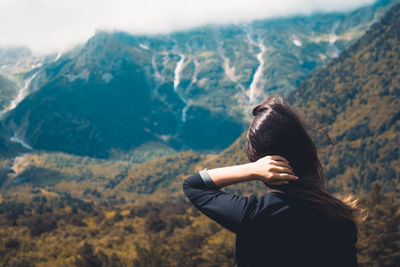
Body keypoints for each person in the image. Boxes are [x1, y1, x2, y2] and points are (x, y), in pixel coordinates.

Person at [182, 95, 365, 267]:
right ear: (306, 152)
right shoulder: (341, 217)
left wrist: (251, 170)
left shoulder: (253, 215)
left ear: (260, 160)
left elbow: (194, 185)